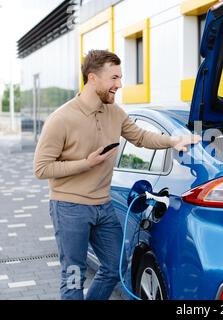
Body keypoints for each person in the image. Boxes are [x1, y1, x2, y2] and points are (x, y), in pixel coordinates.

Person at [33, 49, 201, 300]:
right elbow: (41, 168)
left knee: (115, 267)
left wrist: (174, 140)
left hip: (103, 206)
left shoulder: (115, 112)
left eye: (120, 78)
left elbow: (141, 137)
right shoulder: (61, 119)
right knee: (74, 276)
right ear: (92, 78)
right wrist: (85, 164)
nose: (119, 85)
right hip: (70, 207)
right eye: (114, 78)